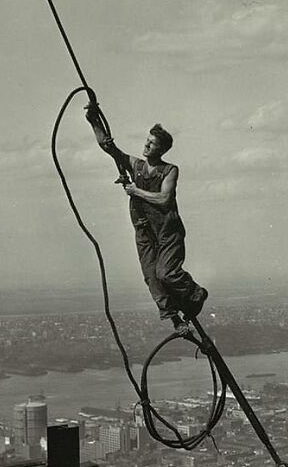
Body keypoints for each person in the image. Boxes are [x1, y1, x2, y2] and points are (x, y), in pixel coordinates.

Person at [86, 106, 208, 330]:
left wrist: (136, 191)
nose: (147, 144)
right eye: (147, 140)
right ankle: (175, 320)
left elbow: (164, 199)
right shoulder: (137, 166)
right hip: (143, 230)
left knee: (167, 273)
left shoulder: (169, 170)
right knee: (152, 278)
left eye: (152, 143)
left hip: (167, 231)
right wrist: (93, 121)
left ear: (161, 149)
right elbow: (110, 148)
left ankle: (194, 293)